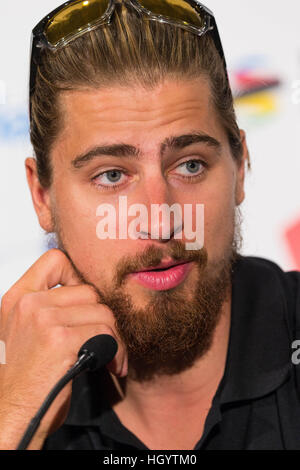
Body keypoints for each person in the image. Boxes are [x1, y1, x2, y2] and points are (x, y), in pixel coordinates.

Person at [0, 0, 300, 451]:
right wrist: (16, 419)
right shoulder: (12, 406)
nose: (160, 221)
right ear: (42, 196)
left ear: (240, 165)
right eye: (112, 176)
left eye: (191, 165)